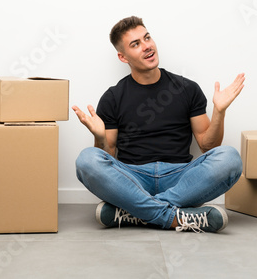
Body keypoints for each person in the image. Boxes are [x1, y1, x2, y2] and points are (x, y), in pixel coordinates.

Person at [72, 16, 245, 233]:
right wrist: (99, 137)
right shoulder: (113, 97)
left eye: (147, 38)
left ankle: (135, 213)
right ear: (122, 57)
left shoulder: (187, 88)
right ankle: (174, 217)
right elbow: (108, 156)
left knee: (230, 158)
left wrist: (220, 112)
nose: (147, 46)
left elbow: (208, 146)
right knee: (87, 160)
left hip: (181, 177)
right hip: (134, 178)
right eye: (136, 44)